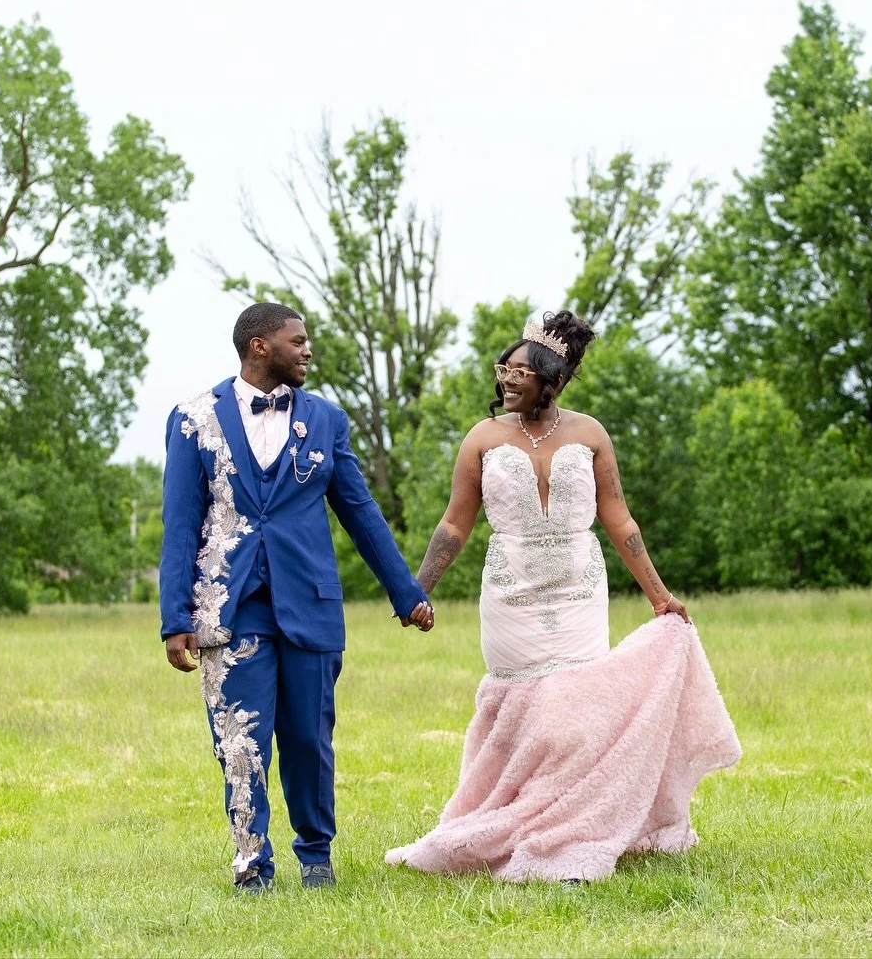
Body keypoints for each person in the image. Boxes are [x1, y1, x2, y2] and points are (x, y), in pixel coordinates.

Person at [386, 310, 741, 884]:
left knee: (574, 713)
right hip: (511, 595)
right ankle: (515, 817)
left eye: (519, 371)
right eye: (503, 369)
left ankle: (574, 823)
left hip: (579, 589)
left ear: (550, 378)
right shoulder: (482, 438)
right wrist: (414, 590)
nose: (506, 379)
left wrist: (659, 596)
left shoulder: (590, 433)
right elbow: (454, 525)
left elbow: (619, 519)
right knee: (533, 714)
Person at [160, 302, 432, 894]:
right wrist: (174, 618)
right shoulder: (192, 419)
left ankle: (316, 859)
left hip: (309, 604)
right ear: (260, 346)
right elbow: (180, 525)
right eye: (298, 340)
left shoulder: (327, 421)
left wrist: (407, 593)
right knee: (240, 739)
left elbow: (360, 514)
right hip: (228, 607)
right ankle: (251, 864)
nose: (308, 350)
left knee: (310, 738)